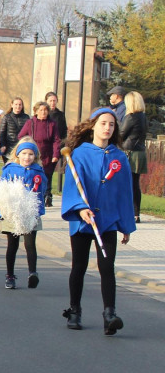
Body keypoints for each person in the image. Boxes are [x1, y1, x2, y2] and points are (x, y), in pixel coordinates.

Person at [60, 108, 135, 334]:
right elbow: (73, 184)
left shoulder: (119, 157)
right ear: (93, 125)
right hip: (83, 221)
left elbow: (125, 193)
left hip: (108, 220)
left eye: (112, 125)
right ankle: (74, 311)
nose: (107, 128)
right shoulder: (79, 154)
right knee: (79, 267)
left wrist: (126, 224)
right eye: (103, 123)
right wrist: (80, 208)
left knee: (107, 267)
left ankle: (109, 314)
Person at [0, 141, 47, 290]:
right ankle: (10, 275)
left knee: (30, 244)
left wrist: (38, 212)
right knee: (12, 245)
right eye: (24, 153)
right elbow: (1, 192)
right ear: (17, 154)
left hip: (30, 213)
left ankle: (33, 272)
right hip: (12, 213)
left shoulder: (38, 172)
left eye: (31, 154)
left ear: (36, 156)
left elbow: (41, 193)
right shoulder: (9, 169)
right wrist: (2, 212)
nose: (27, 157)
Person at [16, 100, 61, 207]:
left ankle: (47, 197)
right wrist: (27, 149)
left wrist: (56, 155)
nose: (43, 112)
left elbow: (56, 140)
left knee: (46, 177)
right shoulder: (30, 123)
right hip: (33, 155)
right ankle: (31, 196)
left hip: (47, 155)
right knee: (33, 175)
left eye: (45, 110)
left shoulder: (52, 124)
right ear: (36, 111)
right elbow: (21, 136)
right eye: (41, 110)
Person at [120, 91, 148, 224]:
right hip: (140, 152)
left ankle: (127, 211)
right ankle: (136, 213)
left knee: (127, 183)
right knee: (135, 184)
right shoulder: (143, 116)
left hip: (129, 152)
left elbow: (121, 134)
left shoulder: (130, 117)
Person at [0, 97, 29, 164]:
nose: (18, 106)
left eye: (20, 104)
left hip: (21, 148)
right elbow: (2, 133)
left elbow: (29, 133)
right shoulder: (7, 117)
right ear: (12, 105)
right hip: (9, 149)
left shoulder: (26, 117)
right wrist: (2, 145)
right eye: (16, 104)